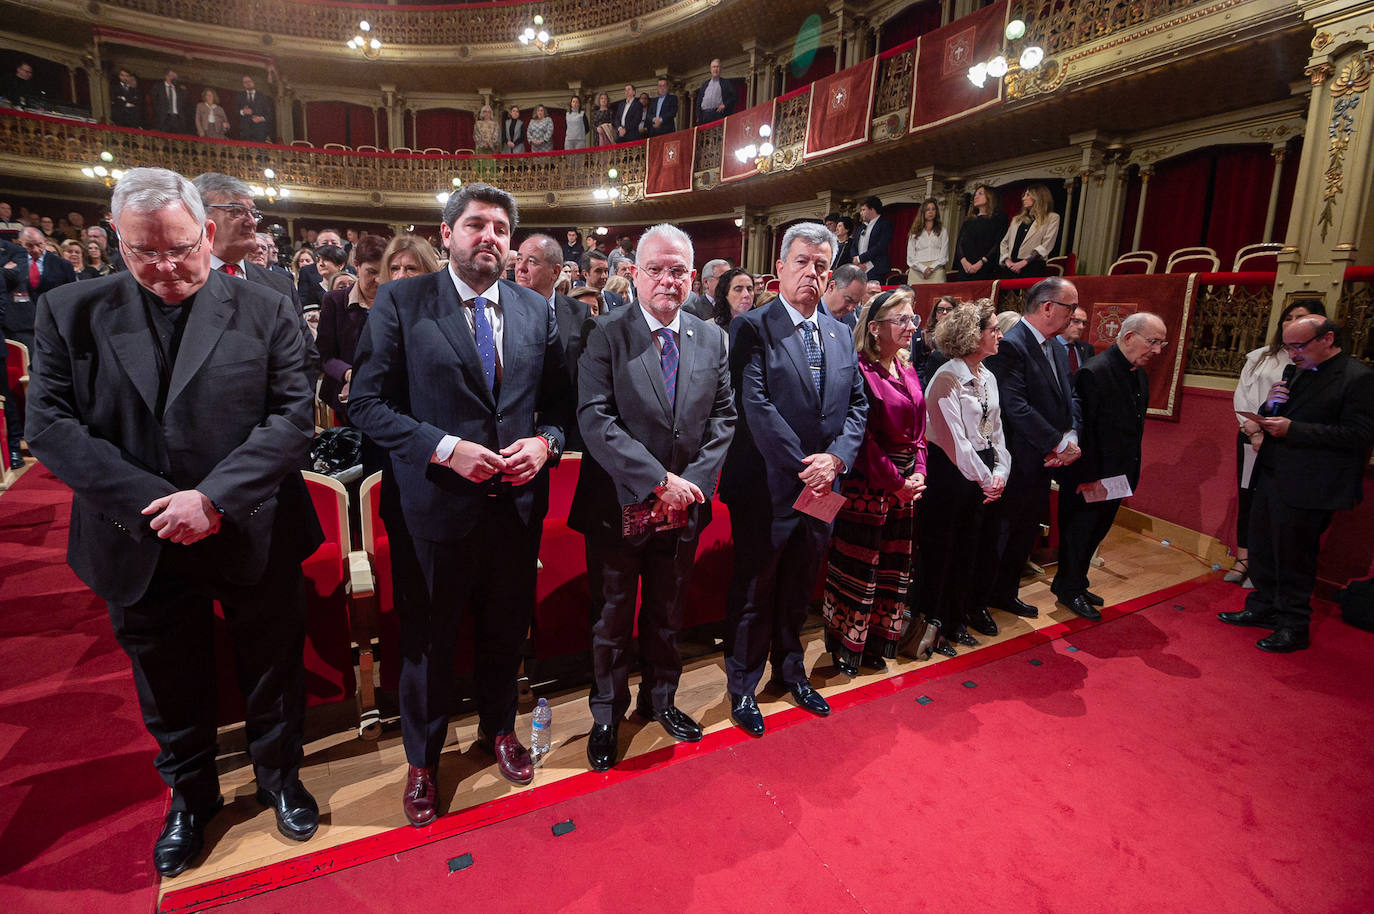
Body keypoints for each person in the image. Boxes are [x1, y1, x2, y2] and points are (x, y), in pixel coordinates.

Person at [25, 166, 322, 877]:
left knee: (272, 668)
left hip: (250, 523)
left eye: (181, 249)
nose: (164, 268)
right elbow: (51, 427)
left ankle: (280, 779)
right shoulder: (72, 309)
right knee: (167, 677)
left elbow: (291, 418)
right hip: (138, 534)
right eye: (143, 252)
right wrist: (157, 503)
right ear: (115, 243)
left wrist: (211, 498)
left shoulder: (268, 303)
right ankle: (191, 797)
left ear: (208, 234)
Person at [347, 182, 571, 825]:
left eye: (501, 228)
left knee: (504, 629)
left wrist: (546, 445)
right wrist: (444, 448)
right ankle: (424, 757)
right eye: (475, 225)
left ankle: (499, 729)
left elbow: (558, 408)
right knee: (429, 640)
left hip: (514, 506)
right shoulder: (401, 300)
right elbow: (364, 403)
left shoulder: (535, 308)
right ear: (446, 234)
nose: (489, 238)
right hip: (434, 507)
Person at [570, 223, 735, 770]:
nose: (668, 280)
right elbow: (595, 418)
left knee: (667, 612)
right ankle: (606, 715)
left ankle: (660, 700)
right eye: (656, 270)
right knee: (612, 617)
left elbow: (723, 419)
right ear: (634, 274)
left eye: (679, 271)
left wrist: (684, 492)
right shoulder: (606, 333)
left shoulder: (712, 338)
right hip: (619, 505)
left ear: (693, 277)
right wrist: (658, 482)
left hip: (681, 509)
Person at [719, 222, 868, 736]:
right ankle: (742, 684)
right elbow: (753, 405)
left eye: (821, 265)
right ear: (779, 268)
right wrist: (809, 464)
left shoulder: (840, 332)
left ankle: (790, 670)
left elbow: (857, 405)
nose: (812, 273)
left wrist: (836, 461)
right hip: (768, 484)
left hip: (823, 485)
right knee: (755, 588)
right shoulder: (753, 327)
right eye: (802, 262)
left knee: (801, 584)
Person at [1217, 315, 1374, 652]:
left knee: (1294, 556)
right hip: (1274, 473)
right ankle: (1263, 608)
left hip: (1312, 484)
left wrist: (1294, 430)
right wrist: (1269, 404)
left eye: (1299, 346)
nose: (1292, 354)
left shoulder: (1357, 378)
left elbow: (1360, 435)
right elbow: (1278, 416)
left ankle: (1293, 625)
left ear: (1328, 339)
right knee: (1262, 546)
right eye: (1288, 346)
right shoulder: (1298, 370)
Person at [822, 288, 927, 675]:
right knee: (858, 569)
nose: (911, 326)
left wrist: (919, 473)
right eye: (902, 319)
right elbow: (861, 437)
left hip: (903, 488)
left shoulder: (908, 367)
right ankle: (846, 643)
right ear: (875, 327)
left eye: (913, 319)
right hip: (868, 486)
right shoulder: (861, 369)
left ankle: (878, 640)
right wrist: (894, 481)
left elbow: (920, 431)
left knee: (892, 569)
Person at [1052, 312, 1168, 617]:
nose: (1157, 350)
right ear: (1130, 337)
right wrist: (1086, 477)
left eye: (1161, 344)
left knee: (1097, 532)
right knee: (1079, 532)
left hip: (1118, 474)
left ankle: (1076, 581)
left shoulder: (1138, 373)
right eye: (1153, 341)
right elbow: (1082, 431)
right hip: (1089, 475)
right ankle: (1068, 589)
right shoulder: (1095, 372)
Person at [984, 276, 1081, 627]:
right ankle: (982, 598)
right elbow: (1014, 406)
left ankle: (1006, 592)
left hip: (1043, 460)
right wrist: (1057, 443)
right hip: (1017, 460)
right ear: (1048, 307)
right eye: (1070, 307)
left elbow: (1065, 399)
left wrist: (1069, 436)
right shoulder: (1011, 345)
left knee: (1025, 532)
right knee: (1001, 532)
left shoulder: (1056, 346)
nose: (1074, 315)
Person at [915, 299, 1009, 658]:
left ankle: (956, 620)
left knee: (969, 548)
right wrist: (987, 478)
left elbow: (996, 431)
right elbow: (954, 442)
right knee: (941, 552)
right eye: (993, 329)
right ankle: (932, 626)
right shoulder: (947, 378)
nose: (999, 335)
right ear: (973, 334)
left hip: (979, 471)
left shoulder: (988, 375)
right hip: (949, 474)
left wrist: (1001, 470)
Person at [1227, 299, 1324, 587]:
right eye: (1288, 317)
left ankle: (1262, 564)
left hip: (1284, 441)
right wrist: (1253, 430)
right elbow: (1242, 395)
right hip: (1250, 435)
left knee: (1271, 503)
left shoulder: (1311, 361)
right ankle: (1243, 557)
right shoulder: (1260, 357)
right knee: (1248, 497)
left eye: (1300, 317)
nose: (1292, 321)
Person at [193, 172, 318, 378]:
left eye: (253, 213)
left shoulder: (279, 285)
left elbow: (306, 358)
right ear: (199, 216)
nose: (251, 222)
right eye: (236, 211)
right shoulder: (179, 281)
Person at [318, 234, 386, 423]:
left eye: (384, 272)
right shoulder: (335, 301)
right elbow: (324, 355)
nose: (379, 279)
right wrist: (349, 374)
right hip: (345, 399)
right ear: (356, 265)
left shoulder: (394, 302)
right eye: (371, 272)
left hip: (386, 401)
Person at [999, 184, 1059, 278]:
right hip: (1011, 267)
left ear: (1038, 197)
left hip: (1032, 267)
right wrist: (1008, 261)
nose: (1023, 198)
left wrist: (1023, 263)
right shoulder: (1017, 219)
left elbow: (1046, 245)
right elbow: (1004, 243)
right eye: (1024, 195)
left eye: (1028, 195)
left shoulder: (1052, 218)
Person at [953, 184, 1006, 281]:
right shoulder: (968, 221)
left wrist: (981, 262)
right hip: (966, 269)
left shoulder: (998, 219)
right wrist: (964, 262)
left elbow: (997, 244)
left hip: (986, 269)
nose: (976, 197)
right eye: (975, 194)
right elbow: (959, 244)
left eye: (980, 194)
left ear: (990, 197)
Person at [918, 295, 958, 387]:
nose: (944, 312)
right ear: (935, 314)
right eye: (940, 309)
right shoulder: (924, 335)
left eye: (949, 309)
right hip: (929, 379)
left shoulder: (960, 335)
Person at [906, 198, 949, 284]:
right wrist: (923, 269)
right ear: (923, 212)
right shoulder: (914, 232)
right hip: (917, 271)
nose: (931, 212)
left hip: (936, 271)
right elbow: (910, 257)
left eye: (933, 209)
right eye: (928, 209)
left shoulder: (943, 231)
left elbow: (944, 255)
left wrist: (931, 268)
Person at [853, 196, 893, 282]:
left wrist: (861, 259)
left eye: (863, 210)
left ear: (872, 210)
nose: (861, 213)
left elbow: (881, 246)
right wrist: (856, 260)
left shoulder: (884, 224)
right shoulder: (861, 228)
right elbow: (853, 247)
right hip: (859, 269)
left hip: (876, 269)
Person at [821, 262, 866, 330]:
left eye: (856, 304)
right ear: (832, 287)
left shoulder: (851, 321)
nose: (851, 308)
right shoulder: (808, 314)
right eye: (848, 300)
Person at [710, 267, 754, 331]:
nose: (746, 294)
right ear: (725, 294)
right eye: (738, 289)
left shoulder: (762, 326)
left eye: (749, 289)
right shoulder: (710, 328)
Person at [695, 58, 737, 124]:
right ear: (711, 69)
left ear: (720, 69)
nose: (715, 69)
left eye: (717, 67)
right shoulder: (705, 84)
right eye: (714, 67)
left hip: (717, 114)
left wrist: (725, 105)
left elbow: (734, 96)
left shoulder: (726, 82)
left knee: (717, 133)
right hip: (704, 116)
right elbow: (699, 101)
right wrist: (698, 115)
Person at [150, 69, 190, 134]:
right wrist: (159, 112)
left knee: (177, 139)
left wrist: (184, 91)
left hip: (177, 118)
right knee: (163, 139)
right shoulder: (158, 87)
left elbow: (184, 103)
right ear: (166, 76)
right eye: (171, 76)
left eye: (175, 77)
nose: (173, 78)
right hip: (164, 118)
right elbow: (154, 101)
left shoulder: (179, 89)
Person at [236, 75, 274, 142]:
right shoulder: (239, 96)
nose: (248, 83)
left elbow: (270, 114)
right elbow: (234, 111)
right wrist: (242, 111)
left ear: (254, 82)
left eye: (249, 81)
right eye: (245, 82)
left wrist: (261, 118)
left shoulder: (263, 96)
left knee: (260, 151)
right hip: (245, 132)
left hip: (260, 132)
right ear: (243, 84)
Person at [1058, 305, 1094, 375]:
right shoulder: (1048, 345)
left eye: (1084, 323)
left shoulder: (1087, 348)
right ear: (1064, 320)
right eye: (1076, 321)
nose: (1081, 327)